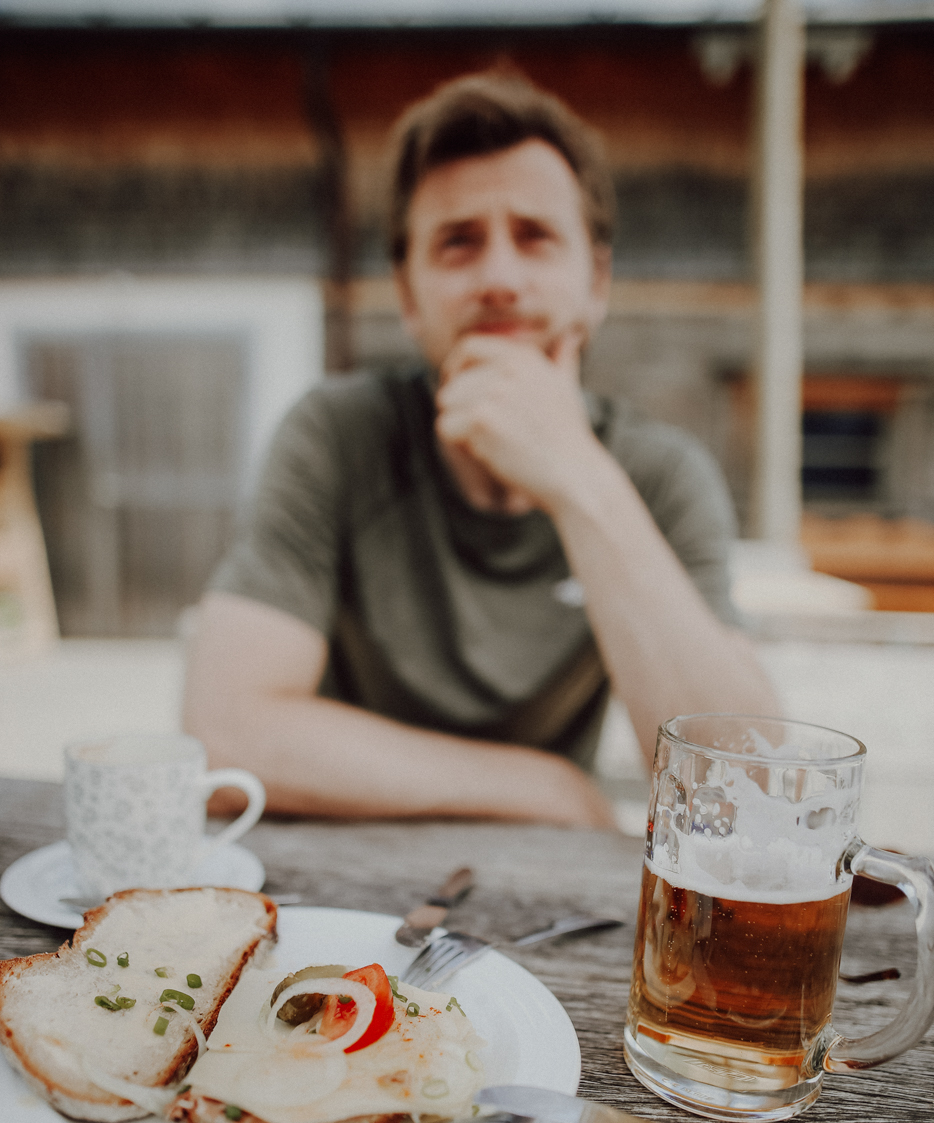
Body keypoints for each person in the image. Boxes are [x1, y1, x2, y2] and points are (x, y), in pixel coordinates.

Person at [183, 72, 774, 828]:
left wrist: (575, 474)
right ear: (407, 295)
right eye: (459, 243)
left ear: (595, 281)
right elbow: (224, 738)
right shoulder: (336, 434)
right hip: (340, 862)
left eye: (535, 237)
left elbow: (749, 793)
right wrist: (546, 789)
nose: (499, 278)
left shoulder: (662, 475)